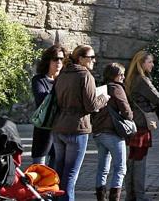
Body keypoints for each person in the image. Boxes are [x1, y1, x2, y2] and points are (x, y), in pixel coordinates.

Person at [52, 44, 108, 201]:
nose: (94, 60)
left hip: (58, 127)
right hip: (77, 129)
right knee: (70, 174)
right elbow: (91, 106)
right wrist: (103, 98)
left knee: (59, 170)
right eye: (91, 57)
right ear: (81, 59)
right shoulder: (85, 75)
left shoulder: (62, 73)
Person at [124, 49, 159, 201]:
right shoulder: (143, 80)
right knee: (140, 160)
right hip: (142, 123)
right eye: (150, 62)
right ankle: (139, 195)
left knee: (131, 159)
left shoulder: (130, 78)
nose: (152, 64)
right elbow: (157, 97)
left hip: (132, 123)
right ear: (141, 63)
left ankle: (130, 194)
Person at [93, 62, 133, 201]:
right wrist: (130, 116)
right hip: (113, 132)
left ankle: (101, 198)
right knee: (120, 168)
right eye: (120, 74)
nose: (123, 77)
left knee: (102, 168)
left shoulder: (100, 88)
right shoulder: (117, 88)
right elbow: (126, 112)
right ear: (113, 76)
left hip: (98, 132)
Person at [30, 45, 65, 167]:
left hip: (61, 129)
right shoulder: (39, 80)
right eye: (55, 59)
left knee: (55, 172)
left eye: (61, 59)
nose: (59, 62)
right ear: (48, 61)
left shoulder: (65, 80)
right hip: (44, 130)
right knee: (39, 169)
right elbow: (42, 100)